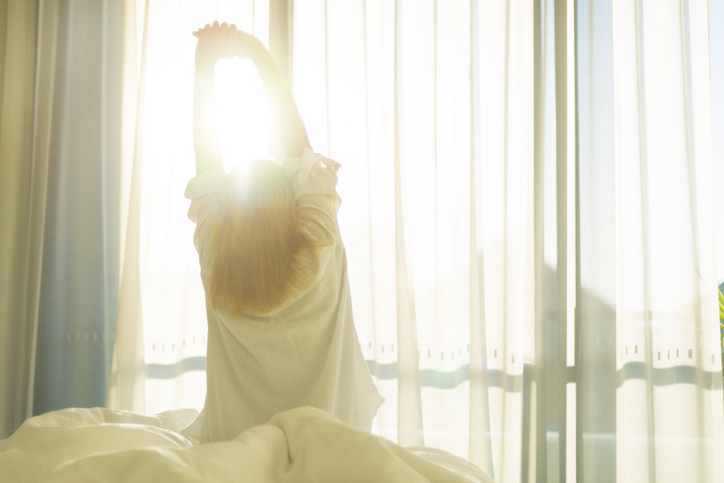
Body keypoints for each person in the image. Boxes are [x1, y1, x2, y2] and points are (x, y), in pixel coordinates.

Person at [182, 21, 384, 443]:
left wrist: (205, 67)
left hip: (235, 453)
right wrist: (257, 54)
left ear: (228, 215)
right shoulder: (318, 246)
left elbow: (208, 159)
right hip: (328, 448)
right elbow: (299, 149)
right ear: (292, 206)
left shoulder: (217, 261)